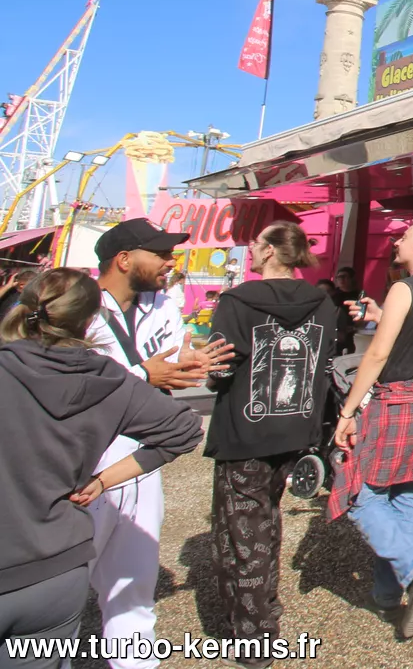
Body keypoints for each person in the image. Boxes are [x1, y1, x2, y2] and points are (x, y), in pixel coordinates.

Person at [0, 269, 202, 668]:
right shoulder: (109, 378)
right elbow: (184, 430)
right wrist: (103, 481)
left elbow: (182, 430)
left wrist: (104, 480)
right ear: (91, 319)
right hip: (56, 572)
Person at [87, 219, 232, 669]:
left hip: (142, 456)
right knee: (64, 581)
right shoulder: (79, 307)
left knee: (134, 581)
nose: (171, 261)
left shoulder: (163, 305)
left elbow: (167, 366)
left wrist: (190, 364)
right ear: (123, 259)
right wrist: (144, 375)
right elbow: (65, 385)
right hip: (86, 458)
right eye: (160, 253)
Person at [204, 221, 339, 665]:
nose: (250, 247)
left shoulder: (237, 300)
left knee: (243, 533)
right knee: (268, 519)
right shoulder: (323, 301)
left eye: (255, 241)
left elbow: (220, 367)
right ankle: (265, 608)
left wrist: (211, 372)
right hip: (298, 428)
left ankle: (255, 636)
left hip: (247, 431)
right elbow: (326, 361)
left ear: (268, 251)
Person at [331, 220, 413, 641]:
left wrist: (348, 410)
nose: (396, 241)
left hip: (401, 400)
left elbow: (378, 354)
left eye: (404, 238)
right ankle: (389, 595)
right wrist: (381, 316)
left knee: (360, 493)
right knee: (407, 495)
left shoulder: (404, 288)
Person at [331, 266, 362, 356]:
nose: (341, 280)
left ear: (351, 278)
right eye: (338, 277)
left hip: (353, 332)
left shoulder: (359, 296)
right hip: (336, 332)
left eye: (344, 277)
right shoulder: (333, 296)